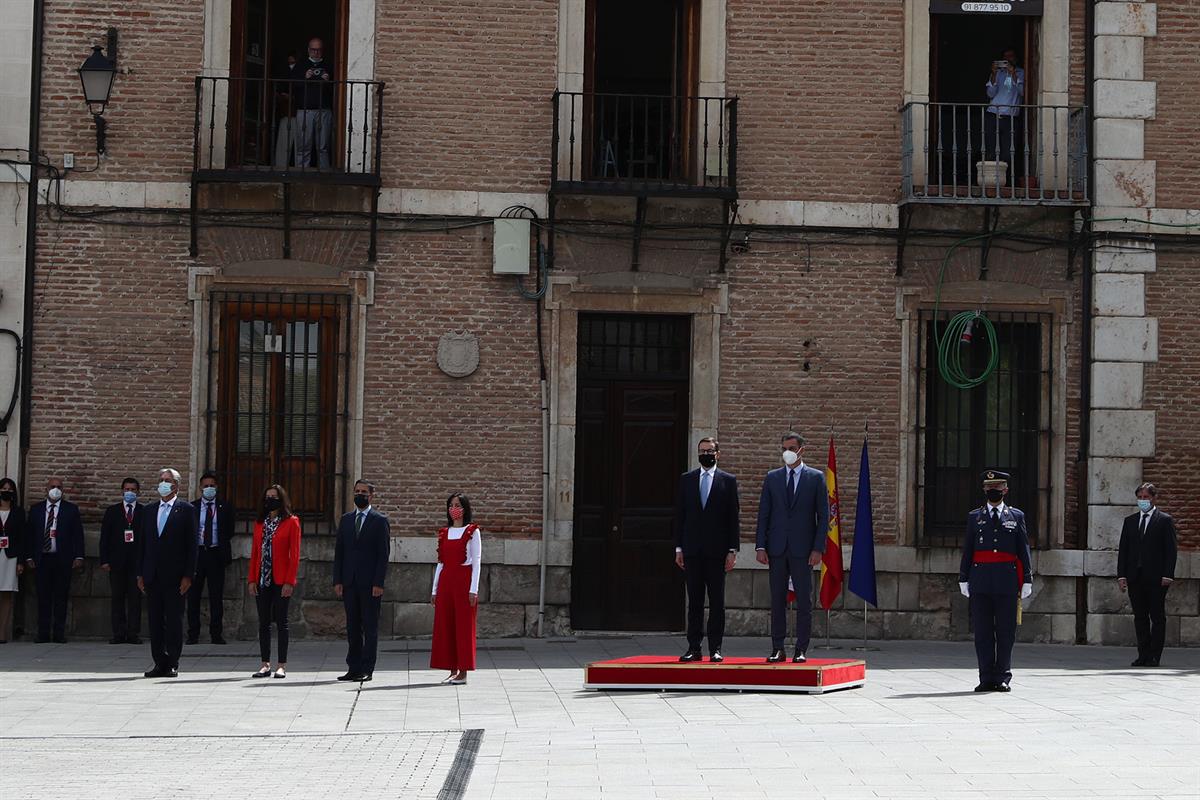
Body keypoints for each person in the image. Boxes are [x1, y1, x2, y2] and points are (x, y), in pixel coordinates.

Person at [755, 433, 829, 663]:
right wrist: (760, 545)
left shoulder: (815, 478)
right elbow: (764, 514)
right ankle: (778, 647)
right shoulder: (772, 478)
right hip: (776, 548)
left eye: (791, 447)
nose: (787, 451)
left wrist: (818, 548)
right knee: (777, 599)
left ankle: (801, 648)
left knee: (804, 601)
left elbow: (823, 516)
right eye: (784, 447)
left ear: (801, 450)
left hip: (803, 550)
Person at [958, 470, 1033, 693]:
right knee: (982, 632)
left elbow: (1023, 549)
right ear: (984, 490)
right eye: (989, 488)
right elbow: (968, 549)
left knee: (1005, 631)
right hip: (980, 580)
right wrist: (964, 577)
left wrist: (1027, 578)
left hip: (1007, 581)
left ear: (1005, 490)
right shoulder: (975, 517)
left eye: (997, 488)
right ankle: (985, 677)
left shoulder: (1016, 516)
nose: (993, 491)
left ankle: (1003, 677)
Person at [674, 437, 740, 663]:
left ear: (718, 454)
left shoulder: (728, 481)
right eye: (702, 451)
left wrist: (733, 550)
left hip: (717, 552)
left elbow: (733, 518)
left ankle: (716, 648)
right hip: (692, 550)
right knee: (694, 602)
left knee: (717, 602)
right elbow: (680, 516)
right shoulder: (687, 480)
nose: (706, 454)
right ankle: (694, 647)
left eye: (710, 451)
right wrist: (679, 548)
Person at [138, 469, 198, 678]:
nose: (163, 484)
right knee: (155, 621)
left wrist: (188, 575)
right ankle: (159, 662)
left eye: (168, 481)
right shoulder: (149, 510)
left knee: (173, 620)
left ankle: (172, 661)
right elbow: (143, 544)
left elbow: (192, 545)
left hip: (176, 576)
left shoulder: (186, 510)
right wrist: (140, 573)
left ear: (176, 486)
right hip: (152, 575)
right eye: (161, 480)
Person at [333, 480, 389, 682]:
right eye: (357, 491)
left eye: (364, 492)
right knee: (352, 627)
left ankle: (367, 668)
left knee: (370, 626)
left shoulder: (379, 520)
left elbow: (383, 555)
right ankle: (353, 667)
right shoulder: (346, 520)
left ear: (371, 496)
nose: (360, 495)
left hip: (370, 584)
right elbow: (339, 552)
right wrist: (337, 580)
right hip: (349, 582)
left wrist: (378, 583)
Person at [1117, 482, 1177, 667]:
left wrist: (1168, 574)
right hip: (1135, 577)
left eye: (1146, 497)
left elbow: (1171, 550)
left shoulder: (1164, 520)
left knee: (1157, 617)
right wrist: (1121, 576)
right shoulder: (1130, 521)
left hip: (1157, 578)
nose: (1143, 500)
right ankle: (1142, 654)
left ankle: (1154, 656)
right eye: (1140, 497)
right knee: (1140, 617)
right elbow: (1124, 550)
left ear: (1153, 498)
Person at [248, 484, 301, 679]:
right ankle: (265, 663)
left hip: (281, 579)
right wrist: (252, 579)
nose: (271, 500)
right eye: (268, 497)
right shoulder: (260, 523)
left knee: (281, 622)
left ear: (282, 499)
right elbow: (255, 552)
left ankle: (281, 665)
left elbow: (294, 555)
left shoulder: (291, 522)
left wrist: (289, 581)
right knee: (263, 623)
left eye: (274, 497)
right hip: (263, 578)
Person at [25, 477, 84, 643]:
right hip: (42, 559)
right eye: (52, 486)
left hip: (62, 559)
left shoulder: (70, 510)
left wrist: (79, 556)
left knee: (61, 597)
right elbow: (30, 536)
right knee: (43, 597)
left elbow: (77, 535)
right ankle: (43, 633)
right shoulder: (36, 510)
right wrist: (29, 556)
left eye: (59, 487)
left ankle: (59, 633)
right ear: (46, 489)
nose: (55, 489)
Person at [431, 492, 481, 685]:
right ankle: (451, 668)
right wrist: (435, 589)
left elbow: (476, 562)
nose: (454, 509)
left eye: (458, 505)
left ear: (465, 508)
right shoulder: (445, 532)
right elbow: (440, 563)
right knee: (446, 626)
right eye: (451, 505)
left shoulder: (472, 531)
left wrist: (473, 589)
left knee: (463, 627)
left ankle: (463, 671)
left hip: (463, 582)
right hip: (446, 583)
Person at [188, 471, 235, 645]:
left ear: (217, 487)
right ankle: (193, 634)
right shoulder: (192, 507)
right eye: (205, 486)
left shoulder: (225, 507)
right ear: (200, 488)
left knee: (216, 597)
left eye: (212, 486)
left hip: (216, 554)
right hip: (198, 555)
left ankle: (216, 634)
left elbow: (229, 530)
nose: (209, 489)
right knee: (193, 596)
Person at [99, 478, 146, 644]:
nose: (130, 492)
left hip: (136, 563)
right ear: (122, 491)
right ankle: (118, 633)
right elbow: (105, 537)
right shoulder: (112, 511)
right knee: (117, 599)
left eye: (133, 489)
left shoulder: (143, 512)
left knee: (135, 599)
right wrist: (104, 559)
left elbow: (147, 539)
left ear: (138, 492)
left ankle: (133, 633)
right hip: (116, 562)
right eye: (127, 489)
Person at [290, 37, 335, 169]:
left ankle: (324, 174)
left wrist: (328, 81)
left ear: (322, 51)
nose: (316, 53)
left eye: (319, 50)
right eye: (313, 50)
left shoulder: (329, 65)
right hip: (305, 110)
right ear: (308, 50)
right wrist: (304, 78)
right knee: (303, 145)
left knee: (323, 147)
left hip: (324, 110)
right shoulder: (300, 65)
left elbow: (338, 90)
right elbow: (291, 85)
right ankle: (301, 173)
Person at [983, 48, 1025, 181]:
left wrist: (1014, 75)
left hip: (1010, 117)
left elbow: (1022, 92)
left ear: (1015, 59)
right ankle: (990, 181)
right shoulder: (998, 73)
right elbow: (990, 93)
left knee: (1008, 153)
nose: (1008, 60)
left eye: (1011, 57)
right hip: (993, 114)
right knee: (991, 151)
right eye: (1005, 57)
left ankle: (1007, 182)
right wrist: (994, 73)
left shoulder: (1021, 73)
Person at [0, 477, 26, 643]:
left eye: (10, 489)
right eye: (4, 488)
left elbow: (22, 537)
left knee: (6, 593)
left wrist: (21, 561)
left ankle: (2, 633)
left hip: (10, 556)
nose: (6, 491)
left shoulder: (18, 512)